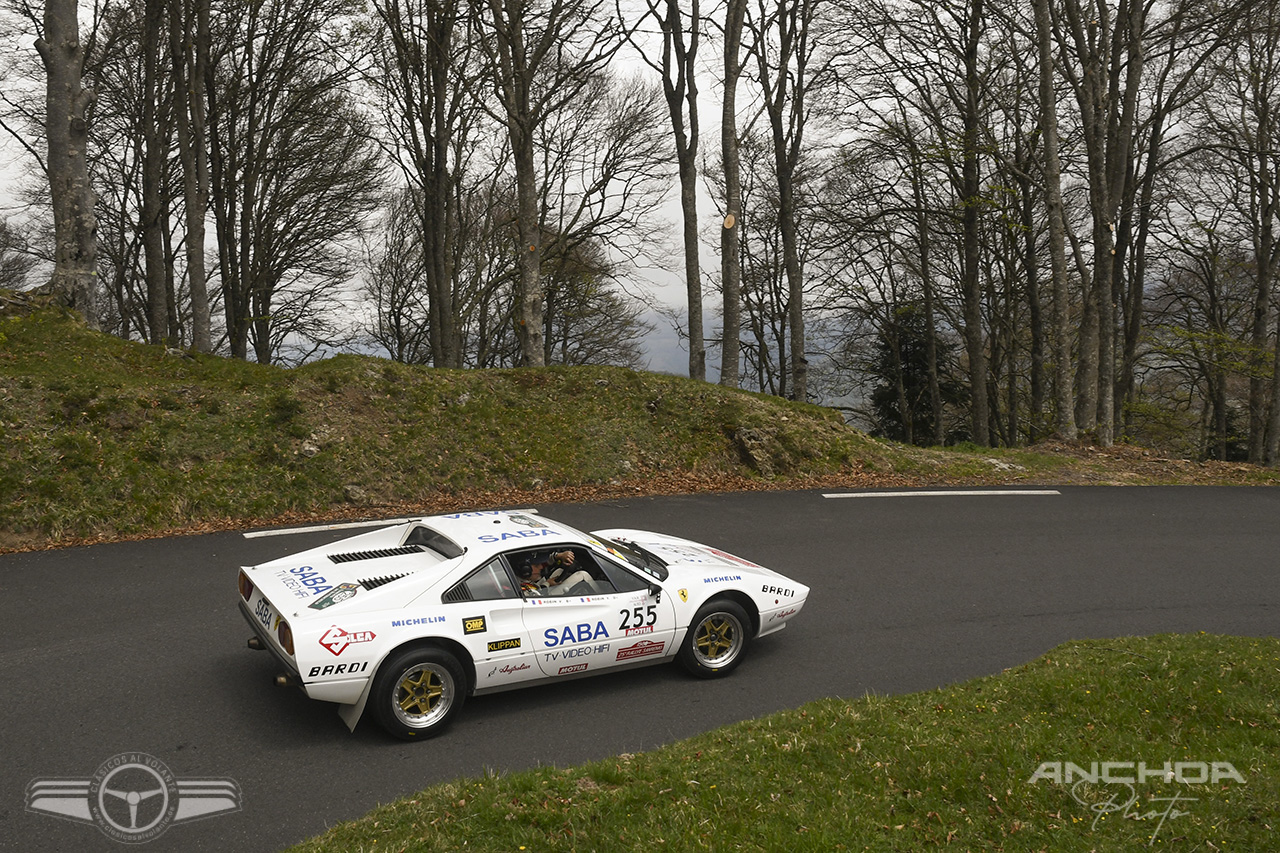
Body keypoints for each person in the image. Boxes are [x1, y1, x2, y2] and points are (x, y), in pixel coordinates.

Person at [520, 550, 593, 595]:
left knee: (559, 571)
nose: (541, 567)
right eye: (536, 565)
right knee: (582, 575)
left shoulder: (520, 576)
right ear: (525, 570)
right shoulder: (520, 588)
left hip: (537, 588)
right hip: (543, 599)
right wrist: (547, 583)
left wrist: (560, 555)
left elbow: (546, 561)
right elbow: (536, 596)